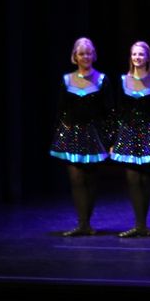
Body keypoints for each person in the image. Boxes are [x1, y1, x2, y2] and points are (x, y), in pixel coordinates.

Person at [50, 37, 113, 236]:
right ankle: (82, 223)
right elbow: (60, 109)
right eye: (81, 54)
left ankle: (87, 222)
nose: (85, 57)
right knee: (76, 179)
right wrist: (60, 132)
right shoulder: (67, 80)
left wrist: (109, 138)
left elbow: (108, 111)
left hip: (94, 135)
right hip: (71, 134)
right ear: (75, 57)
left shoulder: (102, 80)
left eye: (88, 53)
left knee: (91, 180)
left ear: (93, 55)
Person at [111, 41, 150, 238]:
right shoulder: (123, 80)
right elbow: (118, 111)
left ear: (147, 57)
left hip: (148, 134)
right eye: (134, 54)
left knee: (145, 179)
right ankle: (138, 224)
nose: (137, 57)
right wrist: (114, 138)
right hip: (127, 133)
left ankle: (143, 224)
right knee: (132, 179)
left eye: (141, 54)